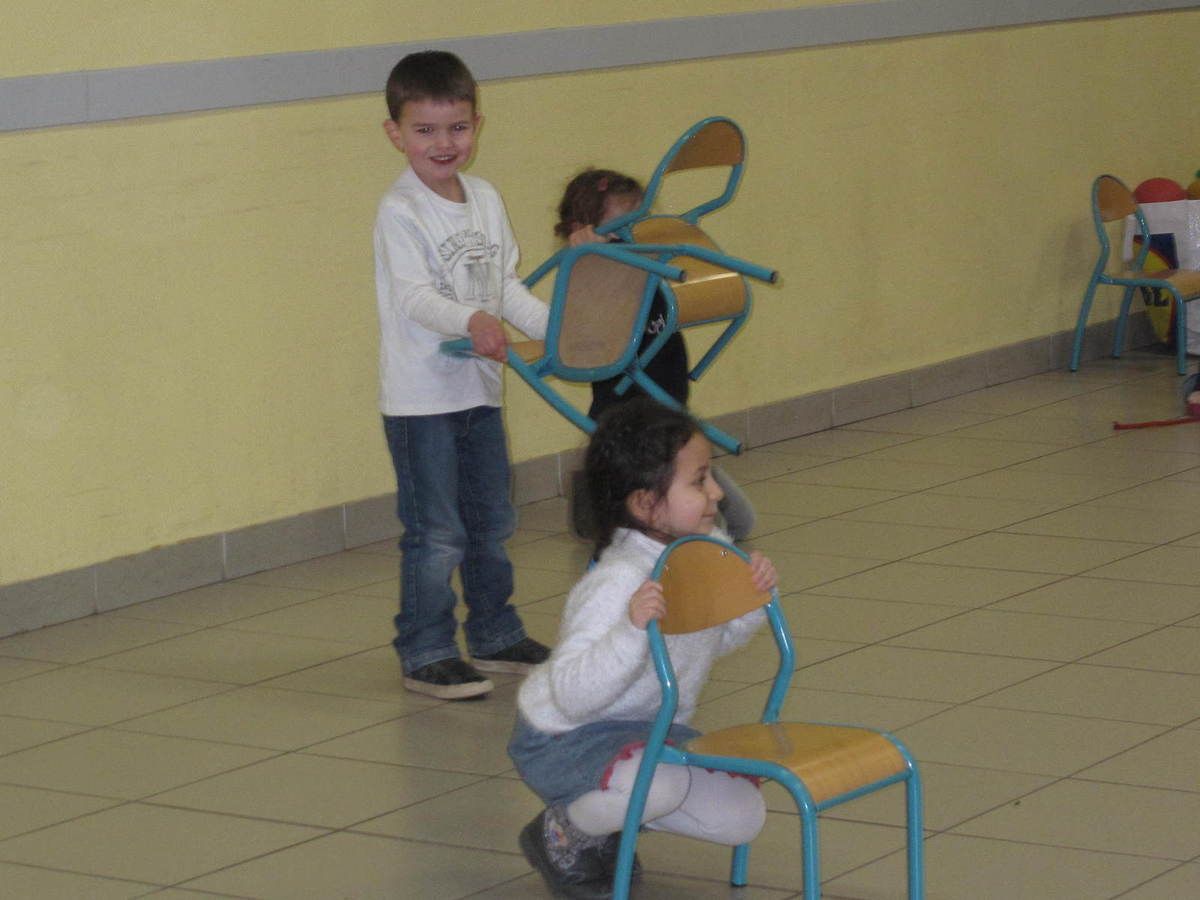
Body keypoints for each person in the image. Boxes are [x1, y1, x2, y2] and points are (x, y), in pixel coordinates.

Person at [509, 399, 776, 897]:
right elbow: (572, 694)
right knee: (659, 785)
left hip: (647, 729)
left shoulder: (701, 552)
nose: (717, 493)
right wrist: (631, 631)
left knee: (743, 815)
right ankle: (565, 833)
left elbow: (715, 640)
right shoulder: (617, 581)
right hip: (565, 736)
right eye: (700, 481)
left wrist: (750, 599)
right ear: (645, 504)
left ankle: (609, 820)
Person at [374, 50, 551, 700]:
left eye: (456, 128)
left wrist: (559, 327)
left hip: (478, 393)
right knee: (437, 533)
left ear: (476, 124)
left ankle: (496, 634)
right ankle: (425, 650)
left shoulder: (486, 198)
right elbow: (414, 298)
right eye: (424, 130)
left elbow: (506, 288)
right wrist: (472, 319)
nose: (443, 143)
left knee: (490, 521)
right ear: (395, 134)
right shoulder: (400, 210)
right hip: (420, 401)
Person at [556, 168, 757, 542]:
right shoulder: (590, 277)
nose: (635, 236)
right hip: (630, 431)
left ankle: (600, 489)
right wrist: (584, 253)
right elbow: (578, 330)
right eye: (622, 229)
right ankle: (597, 490)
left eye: (641, 221)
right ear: (584, 231)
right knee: (699, 528)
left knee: (742, 521)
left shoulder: (648, 271)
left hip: (671, 422)